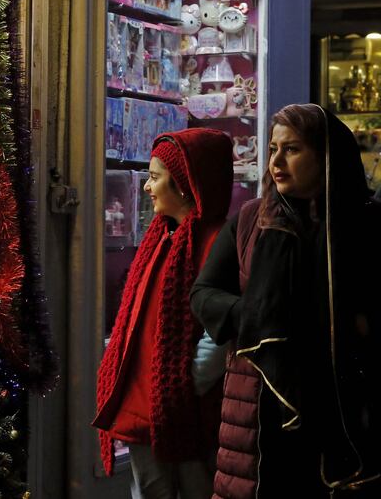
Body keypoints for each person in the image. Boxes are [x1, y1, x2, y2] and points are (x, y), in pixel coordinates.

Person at [191, 104, 381, 498]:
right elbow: (204, 294)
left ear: (326, 155)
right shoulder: (249, 221)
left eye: (292, 149)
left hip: (343, 411)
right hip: (257, 411)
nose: (276, 161)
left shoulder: (366, 223)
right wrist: (262, 317)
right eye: (273, 149)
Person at [94, 128, 234, 498]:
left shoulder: (217, 242)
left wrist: (187, 381)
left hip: (183, 409)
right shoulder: (161, 238)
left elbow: (220, 329)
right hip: (142, 406)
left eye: (155, 178)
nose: (146, 187)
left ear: (185, 184)